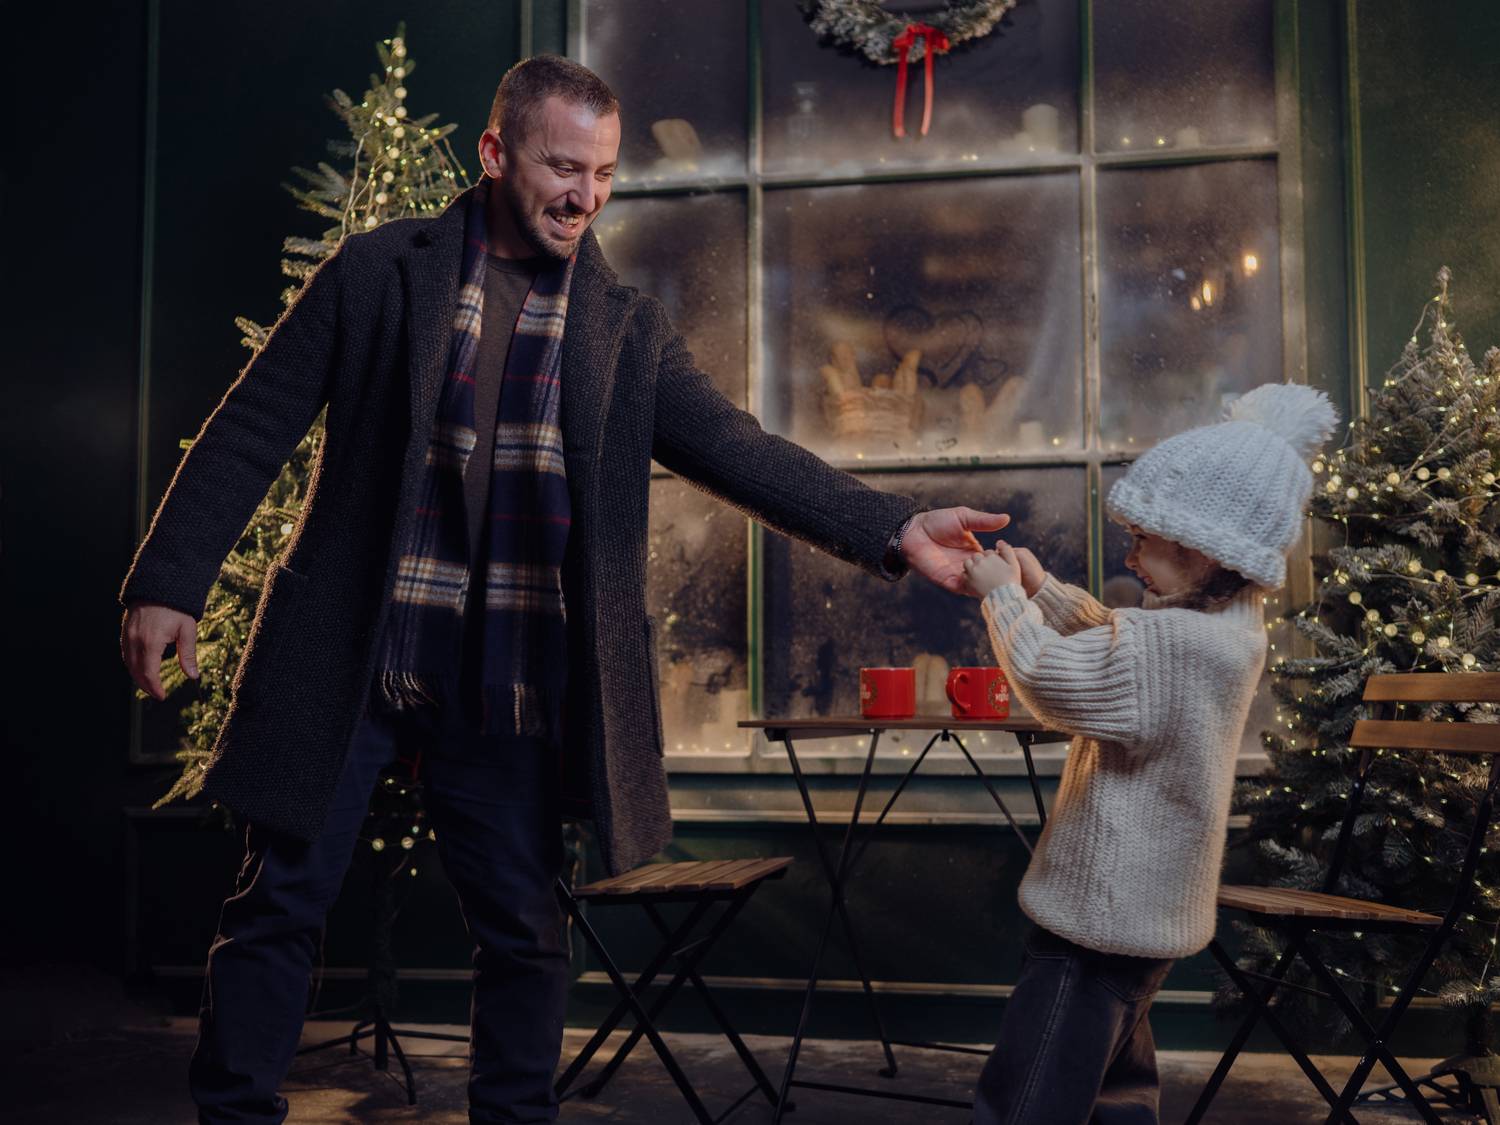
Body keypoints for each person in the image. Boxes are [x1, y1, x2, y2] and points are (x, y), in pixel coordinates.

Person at [118, 55, 1007, 1124]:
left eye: (604, 172)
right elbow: (254, 423)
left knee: (525, 933)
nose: (585, 194)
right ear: (497, 154)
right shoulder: (377, 271)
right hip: (356, 649)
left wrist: (892, 527)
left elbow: (735, 447)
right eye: (561, 166)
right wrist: (170, 580)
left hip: (511, 674)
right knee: (280, 905)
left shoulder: (623, 330)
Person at [960, 384, 1338, 1124]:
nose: (1130, 554)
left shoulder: (1173, 645)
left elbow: (1052, 678)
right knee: (1115, 1089)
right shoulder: (1226, 630)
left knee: (1029, 1095)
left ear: (1201, 548)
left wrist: (1002, 600)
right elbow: (1122, 637)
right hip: (1146, 914)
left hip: (1096, 918)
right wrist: (1046, 590)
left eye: (1143, 539)